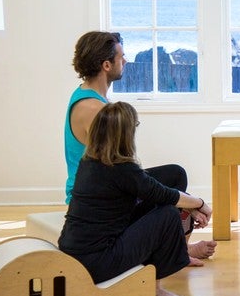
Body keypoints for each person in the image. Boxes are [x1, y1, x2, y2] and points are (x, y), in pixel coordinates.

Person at [65, 31, 216, 264]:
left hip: (109, 184)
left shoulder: (92, 97)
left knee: (174, 175)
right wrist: (194, 203)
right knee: (165, 201)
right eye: (121, 57)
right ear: (106, 65)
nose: (125, 61)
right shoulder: (94, 109)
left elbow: (124, 171)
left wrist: (186, 202)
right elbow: (125, 175)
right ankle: (174, 253)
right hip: (97, 198)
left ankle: (180, 249)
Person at [59, 102, 212, 296]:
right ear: (125, 135)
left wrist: (190, 206)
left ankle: (179, 253)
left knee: (172, 179)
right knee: (168, 215)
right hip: (97, 262)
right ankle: (155, 292)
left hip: (76, 253)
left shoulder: (90, 162)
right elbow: (162, 194)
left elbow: (154, 190)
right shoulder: (122, 169)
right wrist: (199, 204)